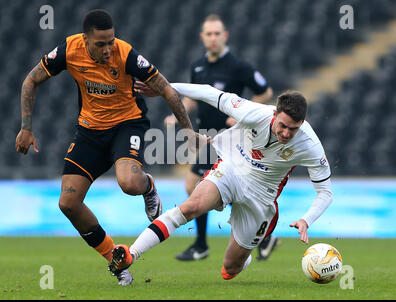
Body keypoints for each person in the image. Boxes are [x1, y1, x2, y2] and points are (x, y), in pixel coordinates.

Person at [15, 9, 201, 286]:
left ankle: (147, 186)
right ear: (86, 39)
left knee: (128, 182)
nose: (107, 49)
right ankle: (117, 260)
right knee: (68, 203)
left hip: (127, 126)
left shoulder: (126, 54)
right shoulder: (69, 49)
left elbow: (168, 90)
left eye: (110, 41)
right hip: (89, 132)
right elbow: (31, 80)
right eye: (100, 43)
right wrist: (26, 127)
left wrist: (189, 132)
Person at [108, 83, 333, 282]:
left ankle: (242, 258)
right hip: (232, 168)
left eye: (292, 129)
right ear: (275, 114)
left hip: (261, 195)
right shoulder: (255, 113)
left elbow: (325, 193)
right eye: (282, 125)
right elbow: (208, 92)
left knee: (230, 269)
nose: (285, 133)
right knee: (191, 207)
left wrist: (306, 220)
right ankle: (131, 254)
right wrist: (163, 87)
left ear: (302, 123)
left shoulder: (310, 146)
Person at [162, 14, 275, 262]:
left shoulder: (238, 66)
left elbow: (265, 91)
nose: (213, 38)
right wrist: (177, 115)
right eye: (208, 34)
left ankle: (204, 244)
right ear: (202, 37)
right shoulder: (197, 66)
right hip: (208, 138)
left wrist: (244, 117)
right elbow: (192, 98)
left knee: (199, 187)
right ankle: (260, 235)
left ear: (225, 36)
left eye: (217, 34)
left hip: (232, 139)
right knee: (204, 187)